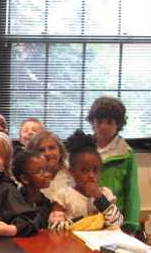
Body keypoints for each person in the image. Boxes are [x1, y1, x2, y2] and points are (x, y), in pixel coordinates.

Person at [48, 130, 123, 231]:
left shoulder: (105, 193)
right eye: (84, 170)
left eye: (95, 170)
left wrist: (99, 197)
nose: (91, 175)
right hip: (72, 244)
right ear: (72, 172)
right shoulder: (64, 196)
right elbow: (54, 227)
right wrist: (84, 221)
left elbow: (117, 222)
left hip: (100, 243)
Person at [87, 96, 141, 233]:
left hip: (115, 218)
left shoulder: (126, 153)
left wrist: (131, 223)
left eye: (109, 122)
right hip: (86, 215)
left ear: (118, 125)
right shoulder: (84, 150)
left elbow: (132, 191)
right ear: (92, 122)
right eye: (99, 122)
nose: (103, 126)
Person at [12, 149, 53, 232]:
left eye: (47, 169)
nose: (47, 174)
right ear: (24, 179)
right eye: (40, 171)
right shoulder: (15, 204)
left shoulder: (46, 203)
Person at [27, 129, 74, 200]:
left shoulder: (73, 172)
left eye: (52, 148)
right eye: (41, 150)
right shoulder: (29, 178)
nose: (47, 153)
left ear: (60, 151)